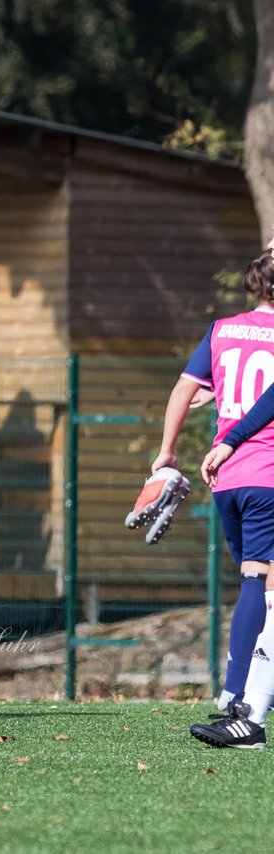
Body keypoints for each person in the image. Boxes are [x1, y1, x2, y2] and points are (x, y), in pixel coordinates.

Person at [174, 250, 274, 749]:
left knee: (262, 583)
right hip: (263, 469)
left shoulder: (225, 330)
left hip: (237, 474)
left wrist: (221, 440)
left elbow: (186, 389)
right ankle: (247, 708)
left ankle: (242, 701)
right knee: (268, 586)